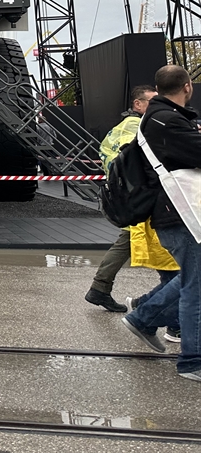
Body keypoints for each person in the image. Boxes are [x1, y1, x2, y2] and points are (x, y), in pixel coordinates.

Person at [120, 65, 201, 383]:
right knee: (196, 288)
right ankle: (192, 360)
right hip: (181, 213)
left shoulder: (162, 118)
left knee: (193, 281)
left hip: (175, 213)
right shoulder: (166, 120)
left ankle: (144, 317)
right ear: (187, 86)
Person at [86, 85, 157, 312]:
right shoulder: (140, 127)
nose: (157, 108)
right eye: (152, 102)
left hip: (127, 195)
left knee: (126, 241)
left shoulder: (118, 129)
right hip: (142, 195)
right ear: (138, 104)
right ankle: (152, 303)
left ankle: (100, 288)